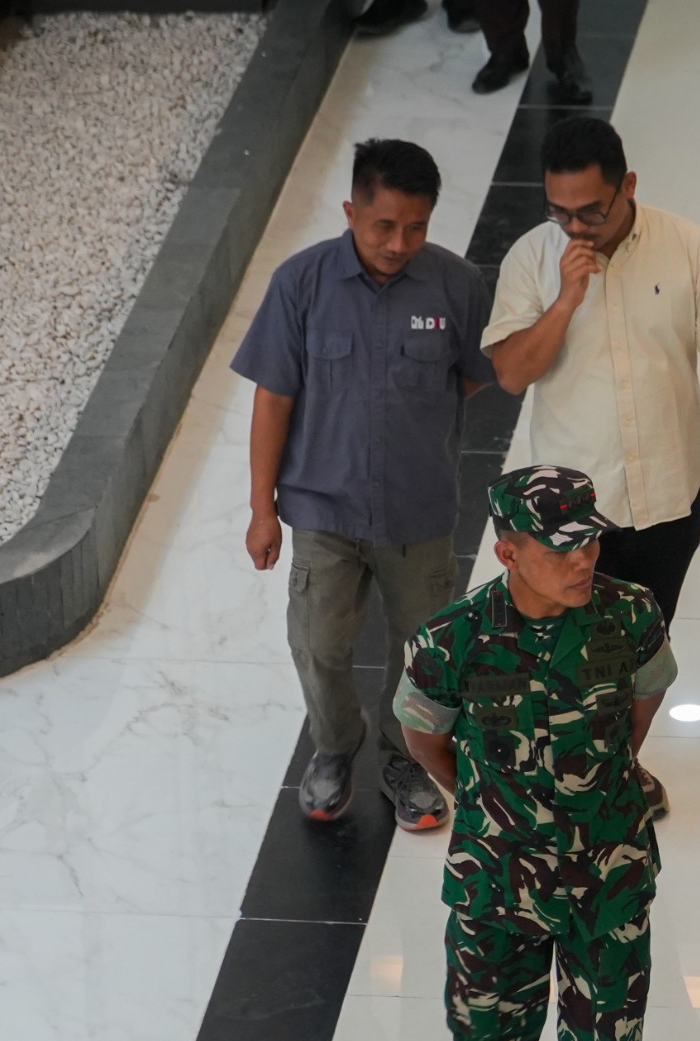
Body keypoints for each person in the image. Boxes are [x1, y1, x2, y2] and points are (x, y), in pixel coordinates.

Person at [396, 465, 676, 1041]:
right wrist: (491, 802)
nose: (584, 559)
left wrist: (601, 784)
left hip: (607, 876)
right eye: (560, 549)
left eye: (589, 541)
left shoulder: (630, 614)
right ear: (509, 552)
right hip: (498, 879)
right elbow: (425, 738)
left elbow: (644, 699)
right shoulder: (451, 641)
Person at [484, 116, 700, 823]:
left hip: (667, 494)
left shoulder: (689, 246)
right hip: (570, 515)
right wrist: (566, 299)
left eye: (591, 212)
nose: (576, 228)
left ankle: (617, 769)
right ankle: (560, 776)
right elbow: (511, 373)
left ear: (627, 186)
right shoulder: (532, 259)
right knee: (564, 653)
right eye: (560, 212)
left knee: (644, 650)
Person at [234, 138, 493, 828]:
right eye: (384, 225)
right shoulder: (300, 283)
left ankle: (404, 758)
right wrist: (262, 510)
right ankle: (334, 747)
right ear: (351, 212)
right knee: (319, 645)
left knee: (422, 651)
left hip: (419, 512)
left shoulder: (458, 285)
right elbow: (273, 399)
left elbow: (470, 377)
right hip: (325, 511)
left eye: (416, 227)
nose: (399, 243)